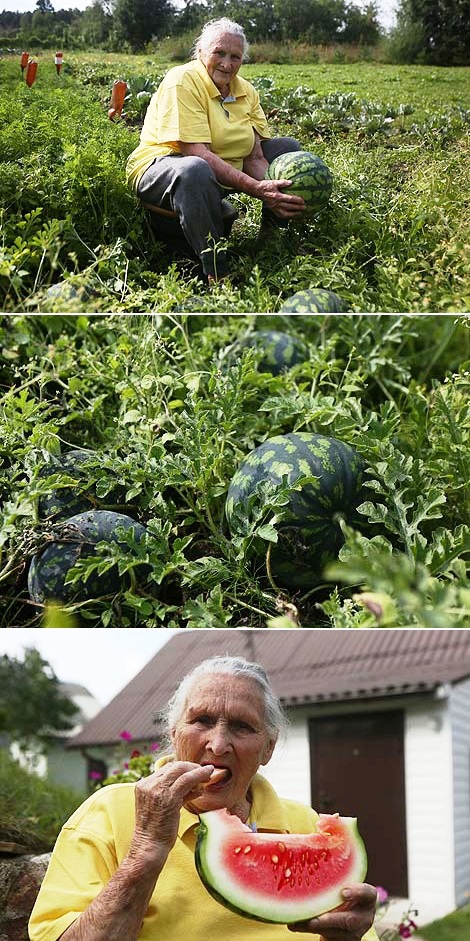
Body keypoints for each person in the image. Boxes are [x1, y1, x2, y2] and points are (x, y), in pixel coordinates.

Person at [29, 656, 379, 941]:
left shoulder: (307, 824)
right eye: (202, 720)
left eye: (242, 727)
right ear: (174, 733)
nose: (218, 744)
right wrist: (147, 847)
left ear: (268, 748)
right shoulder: (107, 813)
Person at [126, 18, 306, 282]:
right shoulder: (183, 80)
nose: (227, 63)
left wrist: (275, 191)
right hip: (162, 167)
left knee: (287, 150)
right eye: (219, 53)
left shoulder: (246, 90)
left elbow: (254, 156)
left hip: (215, 165)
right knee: (194, 170)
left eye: (236, 56)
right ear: (200, 52)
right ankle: (215, 271)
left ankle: (272, 238)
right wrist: (255, 188)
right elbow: (196, 152)